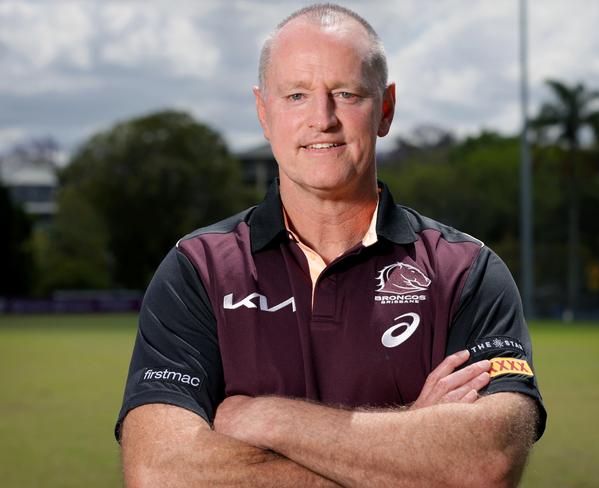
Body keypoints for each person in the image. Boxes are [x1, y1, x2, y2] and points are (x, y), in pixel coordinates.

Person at [116, 3, 546, 487]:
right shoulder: (197, 269)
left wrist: (264, 418)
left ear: (385, 109)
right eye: (296, 95)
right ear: (263, 112)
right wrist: (412, 449)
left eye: (346, 94)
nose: (322, 119)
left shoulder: (466, 271)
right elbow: (158, 473)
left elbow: (484, 466)